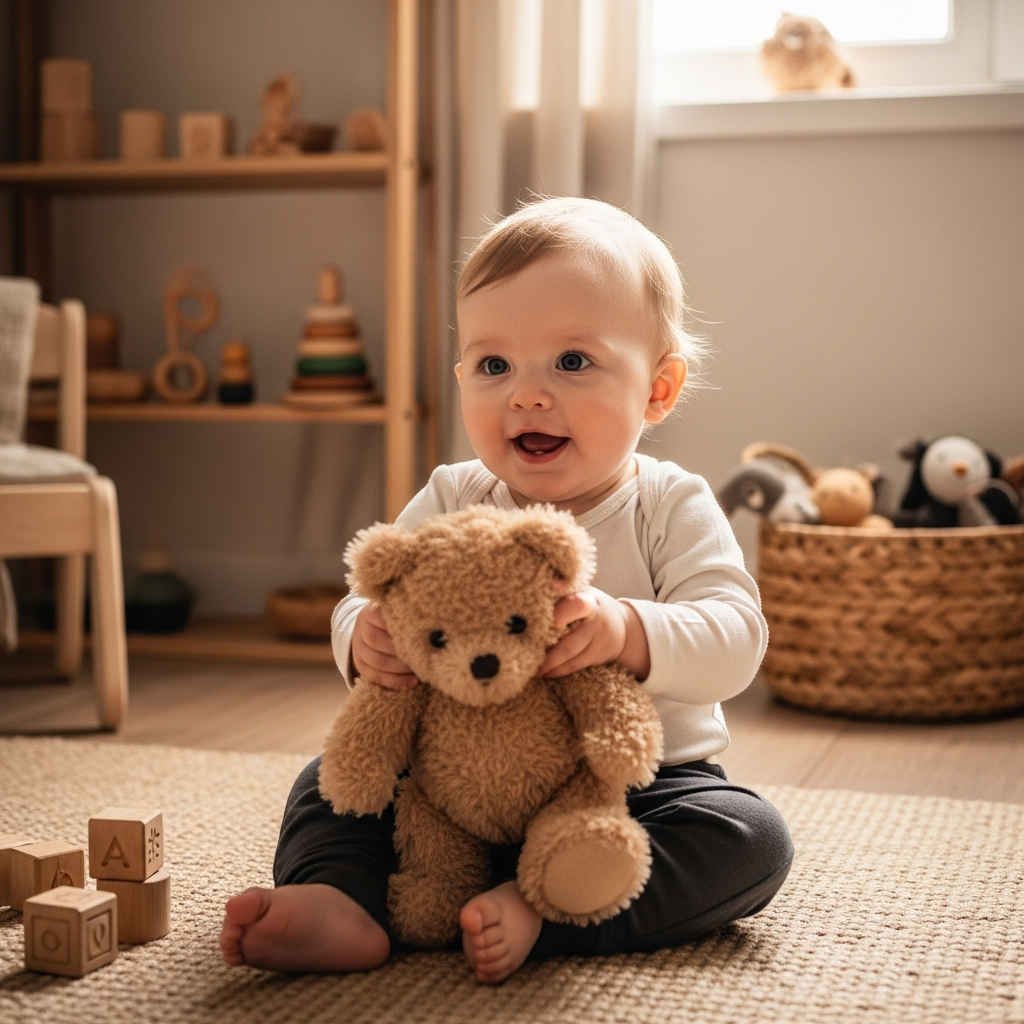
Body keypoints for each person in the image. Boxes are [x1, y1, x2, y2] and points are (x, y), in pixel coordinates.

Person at [220, 197, 794, 983]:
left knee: (749, 837)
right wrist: (363, 638)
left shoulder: (669, 504)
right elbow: (370, 591)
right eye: (494, 366)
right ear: (463, 377)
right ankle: (338, 899)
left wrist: (629, 629)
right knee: (331, 787)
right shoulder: (456, 496)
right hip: (453, 792)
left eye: (571, 362)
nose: (525, 395)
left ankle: (547, 916)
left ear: (658, 391)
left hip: (626, 791)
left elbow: (736, 638)